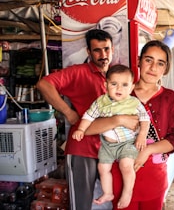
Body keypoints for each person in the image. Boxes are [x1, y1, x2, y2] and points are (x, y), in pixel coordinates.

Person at [36, 29, 139, 210]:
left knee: (111, 201)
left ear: (113, 49)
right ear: (88, 52)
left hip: (110, 149)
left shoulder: (117, 75)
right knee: (81, 204)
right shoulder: (78, 72)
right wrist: (67, 112)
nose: (103, 55)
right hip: (82, 148)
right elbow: (43, 84)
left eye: (106, 49)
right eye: (97, 50)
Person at [85, 40, 174, 210]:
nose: (153, 67)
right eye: (148, 60)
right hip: (120, 175)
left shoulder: (169, 97)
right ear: (138, 61)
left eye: (160, 63)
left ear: (165, 69)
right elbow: (87, 128)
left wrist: (148, 150)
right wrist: (118, 120)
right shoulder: (118, 92)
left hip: (154, 177)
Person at [72, 64, 150, 208]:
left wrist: (142, 137)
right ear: (106, 84)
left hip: (127, 143)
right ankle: (108, 193)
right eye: (114, 84)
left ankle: (128, 191)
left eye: (125, 85)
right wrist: (81, 130)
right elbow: (88, 116)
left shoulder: (133, 103)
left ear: (132, 88)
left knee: (126, 165)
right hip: (107, 145)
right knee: (102, 168)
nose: (119, 89)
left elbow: (145, 119)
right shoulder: (101, 102)